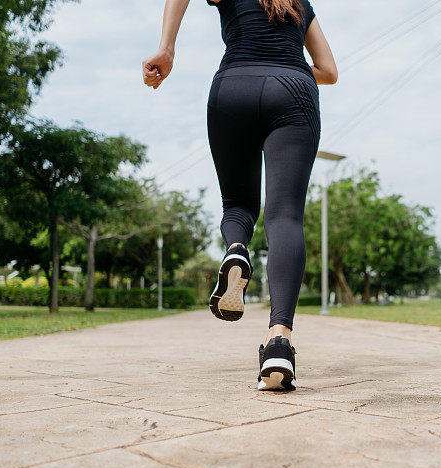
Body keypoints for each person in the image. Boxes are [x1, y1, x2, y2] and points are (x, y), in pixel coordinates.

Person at [142, 0, 337, 391]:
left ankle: (236, 247)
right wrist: (291, 70)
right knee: (284, 217)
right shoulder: (300, 4)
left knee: (238, 204)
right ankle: (279, 341)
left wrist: (167, 48)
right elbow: (329, 72)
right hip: (293, 90)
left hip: (233, 86)